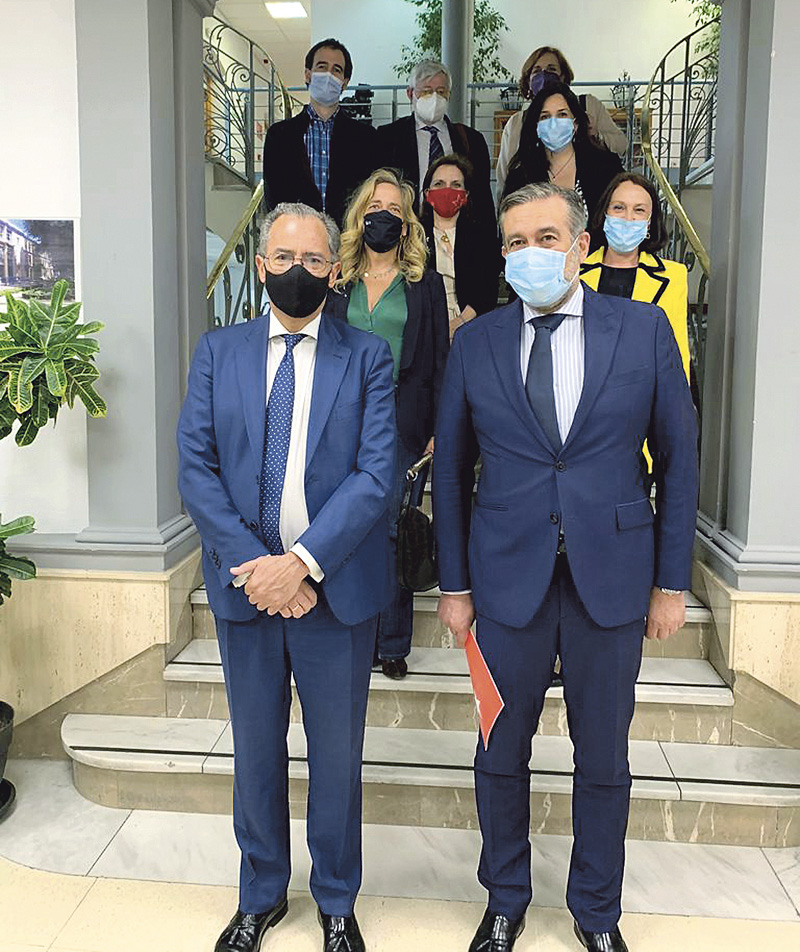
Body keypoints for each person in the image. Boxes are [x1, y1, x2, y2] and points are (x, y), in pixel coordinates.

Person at [433, 182, 698, 952]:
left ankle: (597, 911)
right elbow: (450, 469)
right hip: (503, 583)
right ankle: (505, 900)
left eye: (546, 238)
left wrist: (671, 582)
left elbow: (679, 459)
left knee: (604, 758)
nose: (531, 254)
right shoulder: (476, 343)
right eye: (516, 242)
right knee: (498, 750)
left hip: (610, 579)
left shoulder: (643, 330)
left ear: (581, 246)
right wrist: (454, 586)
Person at [178, 202, 397, 952]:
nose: (295, 271)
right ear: (259, 263)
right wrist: (259, 570)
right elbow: (197, 469)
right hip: (247, 592)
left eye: (311, 260)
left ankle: (336, 900)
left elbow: (376, 475)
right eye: (282, 257)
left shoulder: (366, 357)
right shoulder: (218, 351)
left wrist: (300, 564)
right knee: (256, 752)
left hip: (334, 595)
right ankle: (261, 894)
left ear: (334, 272)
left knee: (336, 759)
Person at [328, 169, 449, 680]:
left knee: (394, 529)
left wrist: (440, 426)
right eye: (375, 208)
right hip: (341, 423)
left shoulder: (425, 285)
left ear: (406, 223)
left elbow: (440, 360)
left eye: (394, 210)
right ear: (360, 216)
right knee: (347, 528)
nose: (383, 216)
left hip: (403, 422)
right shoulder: (337, 283)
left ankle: (393, 642)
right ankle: (352, 632)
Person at [581, 171, 691, 381]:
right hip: (581, 388)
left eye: (639, 210)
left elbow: (676, 351)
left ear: (649, 222)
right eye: (618, 208)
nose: (628, 218)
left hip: (643, 392)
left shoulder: (673, 276)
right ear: (604, 213)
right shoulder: (575, 272)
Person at [262, 39, 376, 228]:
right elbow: (273, 199)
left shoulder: (366, 138)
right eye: (322, 67)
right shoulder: (279, 136)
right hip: (297, 238)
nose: (329, 74)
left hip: (349, 240)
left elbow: (368, 197)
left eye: (336, 70)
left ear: (345, 83)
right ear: (308, 75)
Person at [496, 45, 628, 199]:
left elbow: (621, 145)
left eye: (551, 69)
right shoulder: (521, 173)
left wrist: (595, 135)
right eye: (537, 71)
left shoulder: (603, 167)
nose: (544, 75)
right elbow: (504, 178)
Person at [376, 59, 494, 226]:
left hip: (458, 232)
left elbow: (483, 200)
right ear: (410, 93)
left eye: (441, 91)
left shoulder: (472, 140)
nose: (434, 98)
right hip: (404, 229)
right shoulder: (387, 137)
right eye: (426, 91)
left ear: (449, 95)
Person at [502, 82, 624, 229]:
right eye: (545, 117)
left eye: (562, 114)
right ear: (536, 127)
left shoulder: (606, 167)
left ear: (575, 124)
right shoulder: (520, 177)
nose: (554, 123)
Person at [420, 153, 502, 337]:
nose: (447, 190)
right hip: (424, 329)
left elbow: (487, 291)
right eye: (439, 184)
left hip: (471, 326)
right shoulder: (414, 235)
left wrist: (458, 324)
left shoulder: (482, 236)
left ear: (466, 194)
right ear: (427, 193)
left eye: (456, 185)